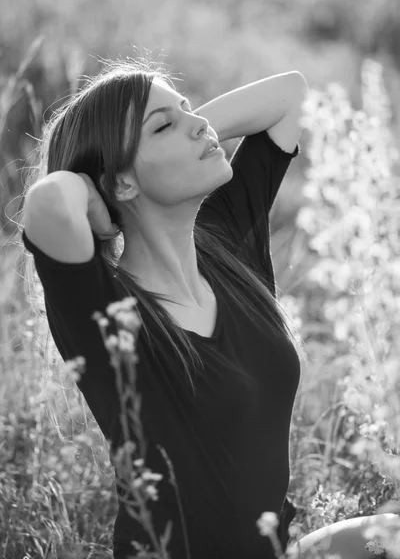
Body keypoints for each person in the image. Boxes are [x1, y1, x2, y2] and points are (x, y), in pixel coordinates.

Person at [21, 59, 398, 559]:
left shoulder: (226, 244)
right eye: (164, 125)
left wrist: (186, 135)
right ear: (121, 184)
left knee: (389, 534)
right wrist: (95, 196)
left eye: (186, 109)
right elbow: (48, 202)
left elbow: (289, 94)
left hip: (275, 551)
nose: (197, 122)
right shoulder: (103, 308)